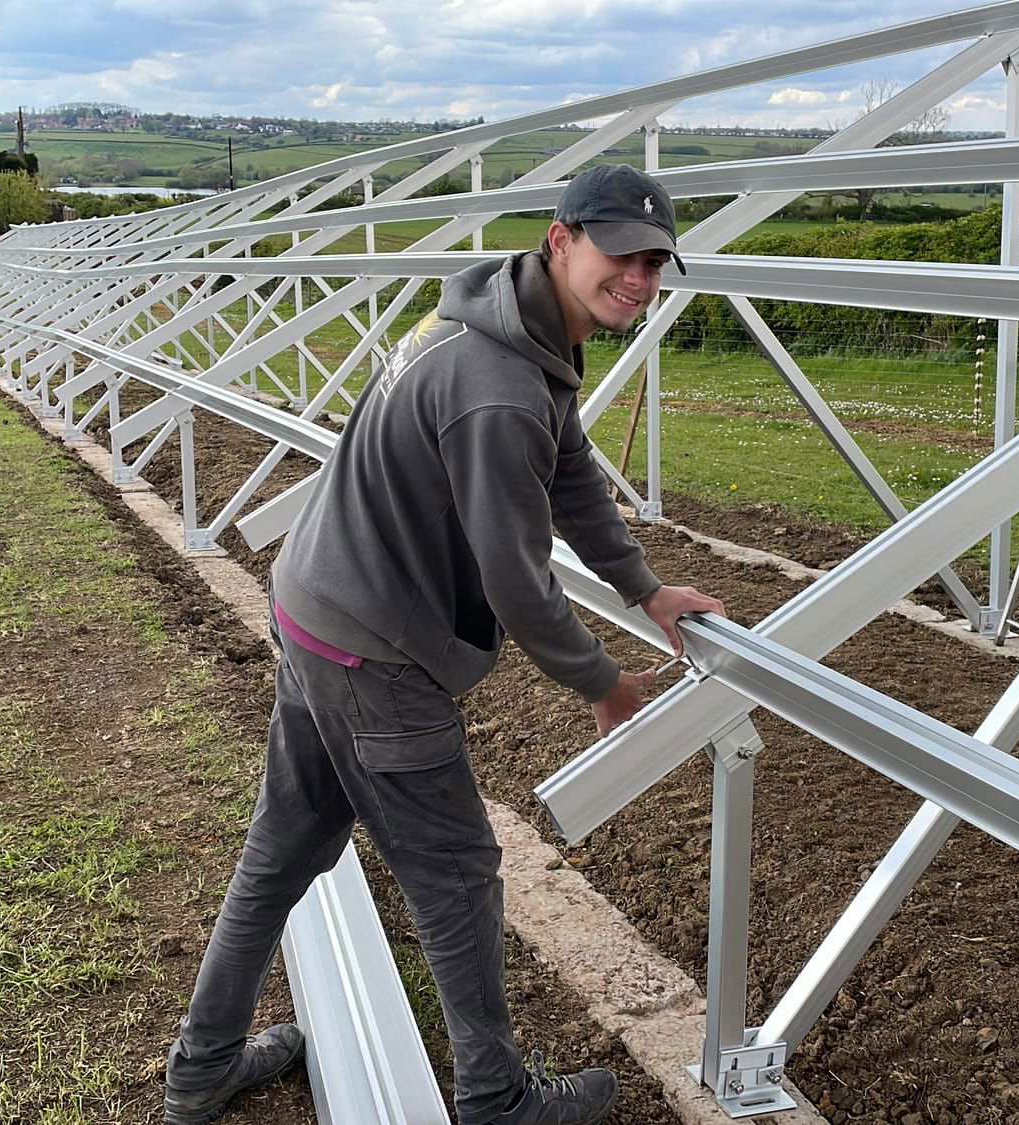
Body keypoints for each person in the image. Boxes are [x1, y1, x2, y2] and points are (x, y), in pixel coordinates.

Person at [163, 162, 726, 1125]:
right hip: (371, 650)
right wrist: (599, 678)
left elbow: (571, 467)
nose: (637, 278)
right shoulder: (499, 383)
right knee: (459, 874)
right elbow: (514, 575)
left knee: (284, 848)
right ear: (561, 238)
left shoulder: (502, 321)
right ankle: (496, 1098)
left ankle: (202, 1066)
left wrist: (643, 586)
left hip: (317, 603)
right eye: (618, 255)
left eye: (654, 262)